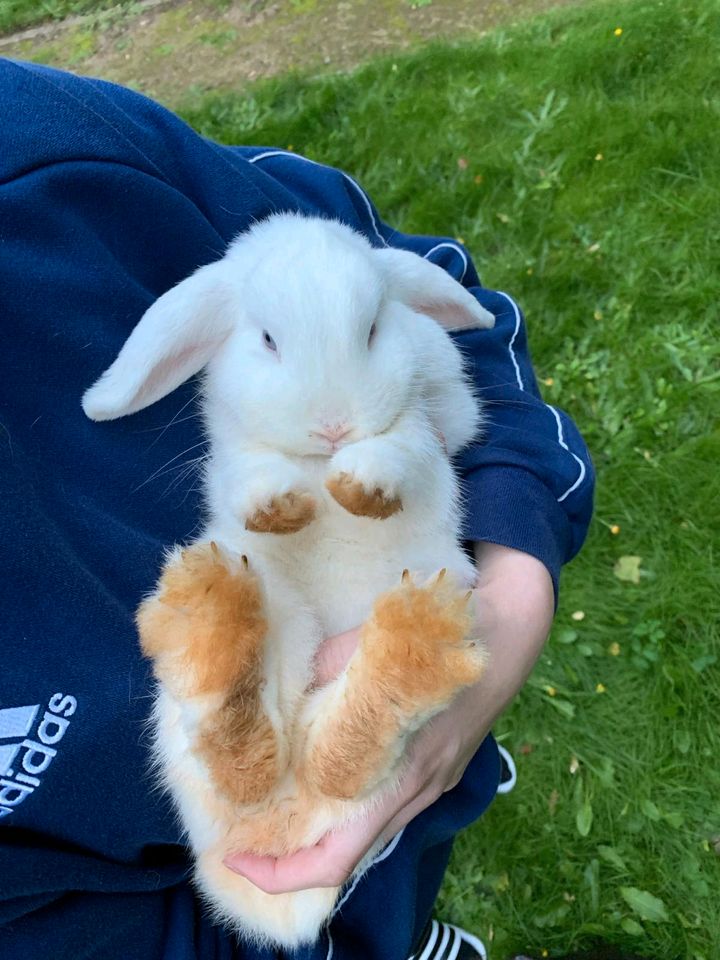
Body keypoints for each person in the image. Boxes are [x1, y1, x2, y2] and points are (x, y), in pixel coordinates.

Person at [0, 58, 593, 960]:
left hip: (389, 782)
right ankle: (254, 721)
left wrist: (510, 600)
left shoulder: (61, 170)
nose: (330, 422)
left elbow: (469, 369)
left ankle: (364, 725)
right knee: (231, 649)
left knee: (296, 633)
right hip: (197, 871)